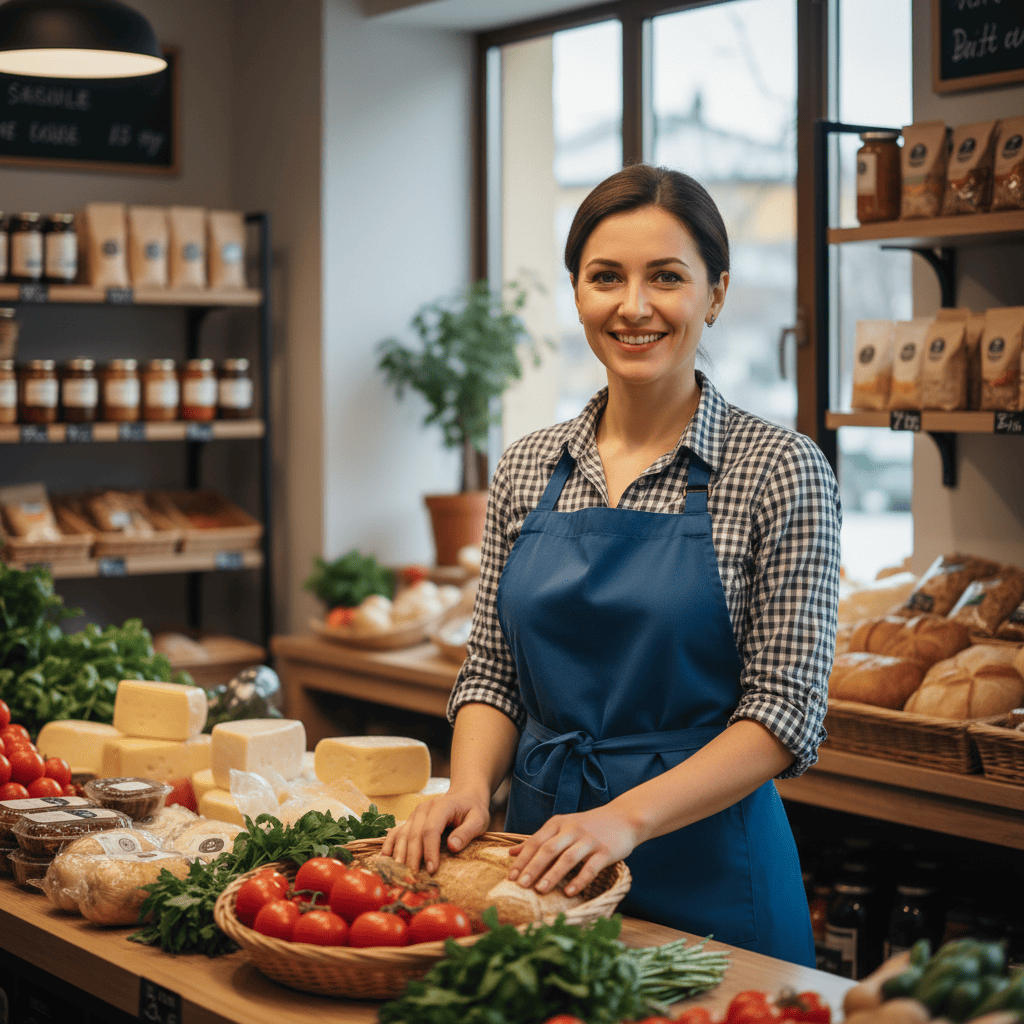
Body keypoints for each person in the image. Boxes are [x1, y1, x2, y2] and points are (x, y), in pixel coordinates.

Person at [382, 163, 841, 966]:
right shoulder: (529, 466)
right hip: (538, 859)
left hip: (708, 868)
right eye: (606, 278)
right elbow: (493, 672)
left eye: (666, 277)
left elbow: (784, 714)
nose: (634, 306)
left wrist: (623, 818)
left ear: (717, 294)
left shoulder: (781, 468)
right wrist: (467, 788)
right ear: (577, 292)